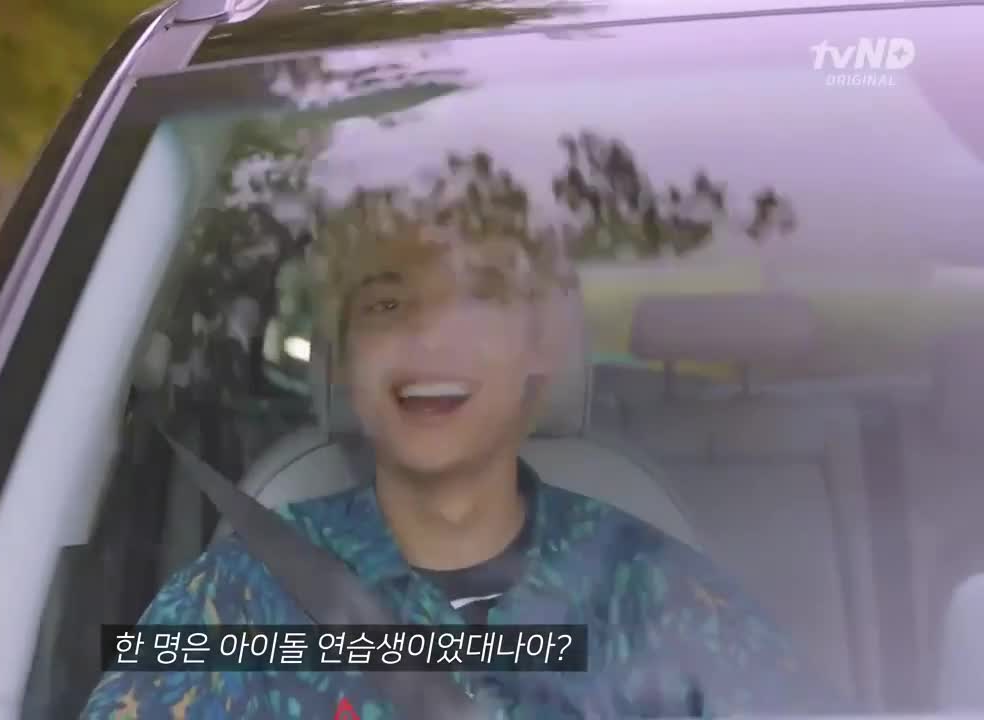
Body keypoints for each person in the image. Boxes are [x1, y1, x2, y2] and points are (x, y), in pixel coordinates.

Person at [82, 197, 838, 718]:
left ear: (540, 351)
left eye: (477, 298)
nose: (429, 339)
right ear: (344, 359)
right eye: (387, 305)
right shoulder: (238, 597)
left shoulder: (663, 596)